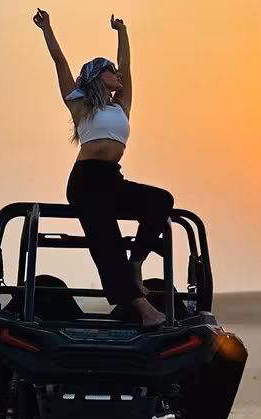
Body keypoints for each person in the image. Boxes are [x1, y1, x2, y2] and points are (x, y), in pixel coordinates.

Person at [33, 8, 171, 327]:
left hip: (112, 179)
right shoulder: (80, 106)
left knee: (161, 201)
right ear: (97, 76)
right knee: (106, 243)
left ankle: (137, 262)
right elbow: (60, 63)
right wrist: (47, 29)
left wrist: (121, 31)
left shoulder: (122, 105)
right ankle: (143, 309)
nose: (118, 74)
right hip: (85, 182)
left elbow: (127, 65)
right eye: (111, 71)